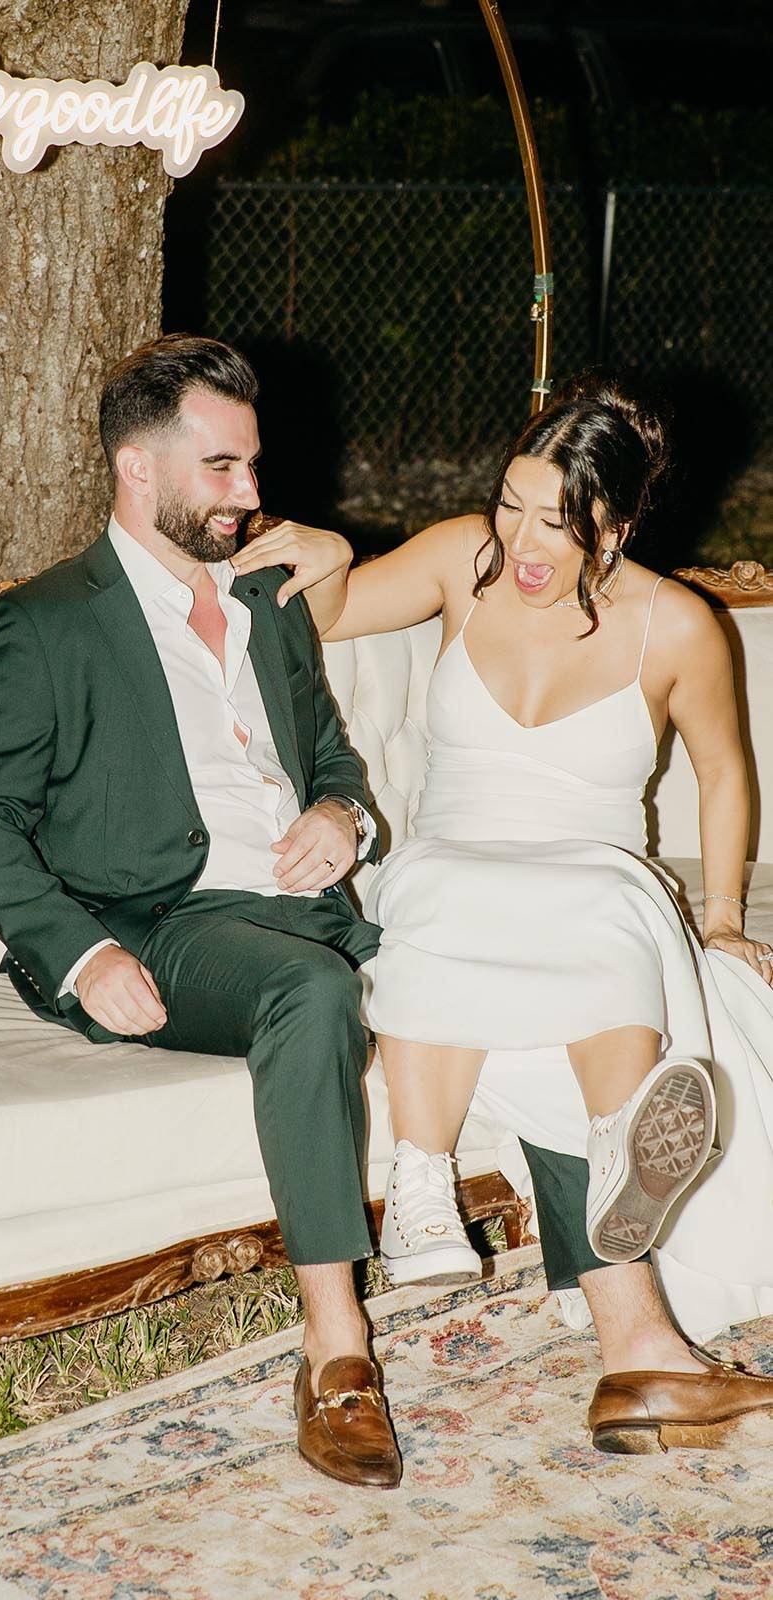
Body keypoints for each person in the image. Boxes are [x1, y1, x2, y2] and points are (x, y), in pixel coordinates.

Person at [233, 371, 773, 1452]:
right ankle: (422, 1184)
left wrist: (718, 917)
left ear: (611, 528)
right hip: (454, 857)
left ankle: (623, 1152)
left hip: (593, 865)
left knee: (611, 908)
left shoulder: (677, 626)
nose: (520, 540)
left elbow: (722, 772)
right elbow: (331, 610)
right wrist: (333, 556)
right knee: (432, 884)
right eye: (510, 504)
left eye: (555, 521)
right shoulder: (453, 560)